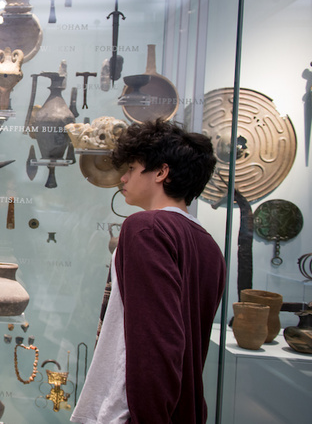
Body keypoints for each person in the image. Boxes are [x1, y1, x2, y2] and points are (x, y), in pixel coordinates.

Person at [71, 119, 226, 424]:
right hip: (184, 408)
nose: (123, 178)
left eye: (132, 168)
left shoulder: (147, 228)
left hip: (135, 412)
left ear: (161, 172)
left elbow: (156, 342)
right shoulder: (209, 246)